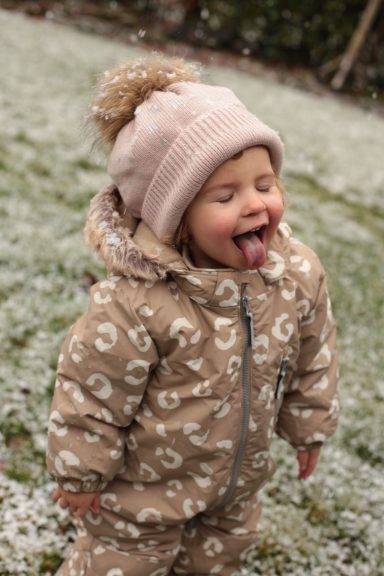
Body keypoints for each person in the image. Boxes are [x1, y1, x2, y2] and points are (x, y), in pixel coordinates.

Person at [47, 55, 339, 576]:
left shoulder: (296, 275)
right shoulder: (136, 305)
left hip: (235, 490)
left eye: (265, 184)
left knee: (216, 564)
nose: (255, 205)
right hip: (142, 497)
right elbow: (91, 393)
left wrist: (309, 425)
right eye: (226, 196)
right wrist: (79, 473)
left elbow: (314, 355)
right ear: (174, 220)